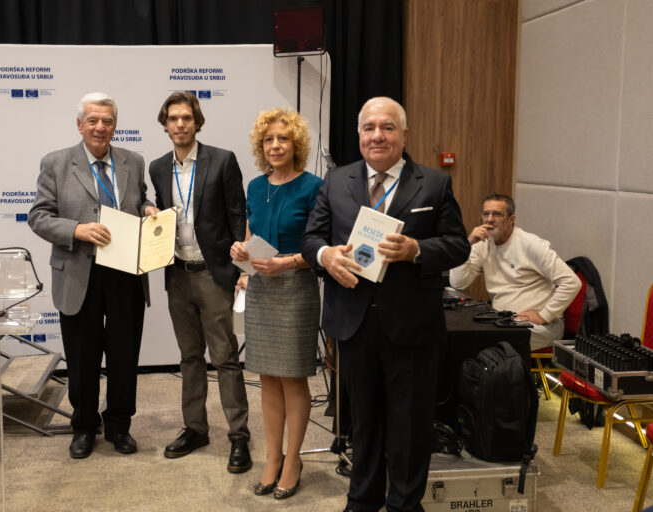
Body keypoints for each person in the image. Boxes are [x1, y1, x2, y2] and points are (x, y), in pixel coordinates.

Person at [301, 97, 470, 512]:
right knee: (362, 420)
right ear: (358, 134)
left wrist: (417, 249)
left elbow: (458, 245)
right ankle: (362, 500)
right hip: (353, 322)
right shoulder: (335, 181)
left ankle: (404, 505)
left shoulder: (434, 184)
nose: (377, 135)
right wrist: (325, 255)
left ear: (404, 134)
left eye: (388, 127)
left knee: (410, 425)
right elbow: (311, 239)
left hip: (411, 326)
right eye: (369, 127)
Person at [28, 92, 158, 459]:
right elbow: (38, 216)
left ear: (115, 125)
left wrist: (148, 208)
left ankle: (119, 425)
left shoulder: (133, 161)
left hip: (125, 271)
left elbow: (139, 200)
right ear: (79, 125)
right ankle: (84, 426)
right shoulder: (55, 162)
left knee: (124, 355)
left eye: (107, 121)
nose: (100, 127)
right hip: (77, 274)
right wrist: (76, 230)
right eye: (93, 121)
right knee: (82, 359)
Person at [148, 92, 251, 473]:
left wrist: (243, 270)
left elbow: (237, 215)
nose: (180, 124)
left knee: (224, 357)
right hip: (177, 274)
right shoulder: (158, 168)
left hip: (214, 273)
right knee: (190, 357)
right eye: (173, 118)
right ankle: (195, 428)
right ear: (165, 125)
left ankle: (239, 435)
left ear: (197, 122)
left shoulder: (222, 160)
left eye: (187, 118)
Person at [230, 108, 323, 500]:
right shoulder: (255, 186)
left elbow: (322, 245)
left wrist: (288, 262)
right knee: (267, 376)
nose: (275, 145)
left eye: (283, 138)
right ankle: (272, 458)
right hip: (260, 286)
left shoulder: (314, 186)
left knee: (292, 376)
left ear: (296, 143)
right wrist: (241, 254)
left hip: (296, 285)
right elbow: (251, 233)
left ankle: (293, 460)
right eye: (268, 139)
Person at [449, 193, 581, 350]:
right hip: (501, 320)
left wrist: (543, 315)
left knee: (485, 342)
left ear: (511, 219)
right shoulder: (481, 245)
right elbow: (458, 283)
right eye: (486, 214)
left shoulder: (531, 244)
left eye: (497, 214)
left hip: (541, 326)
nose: (489, 219)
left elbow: (571, 282)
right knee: (460, 335)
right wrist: (466, 245)